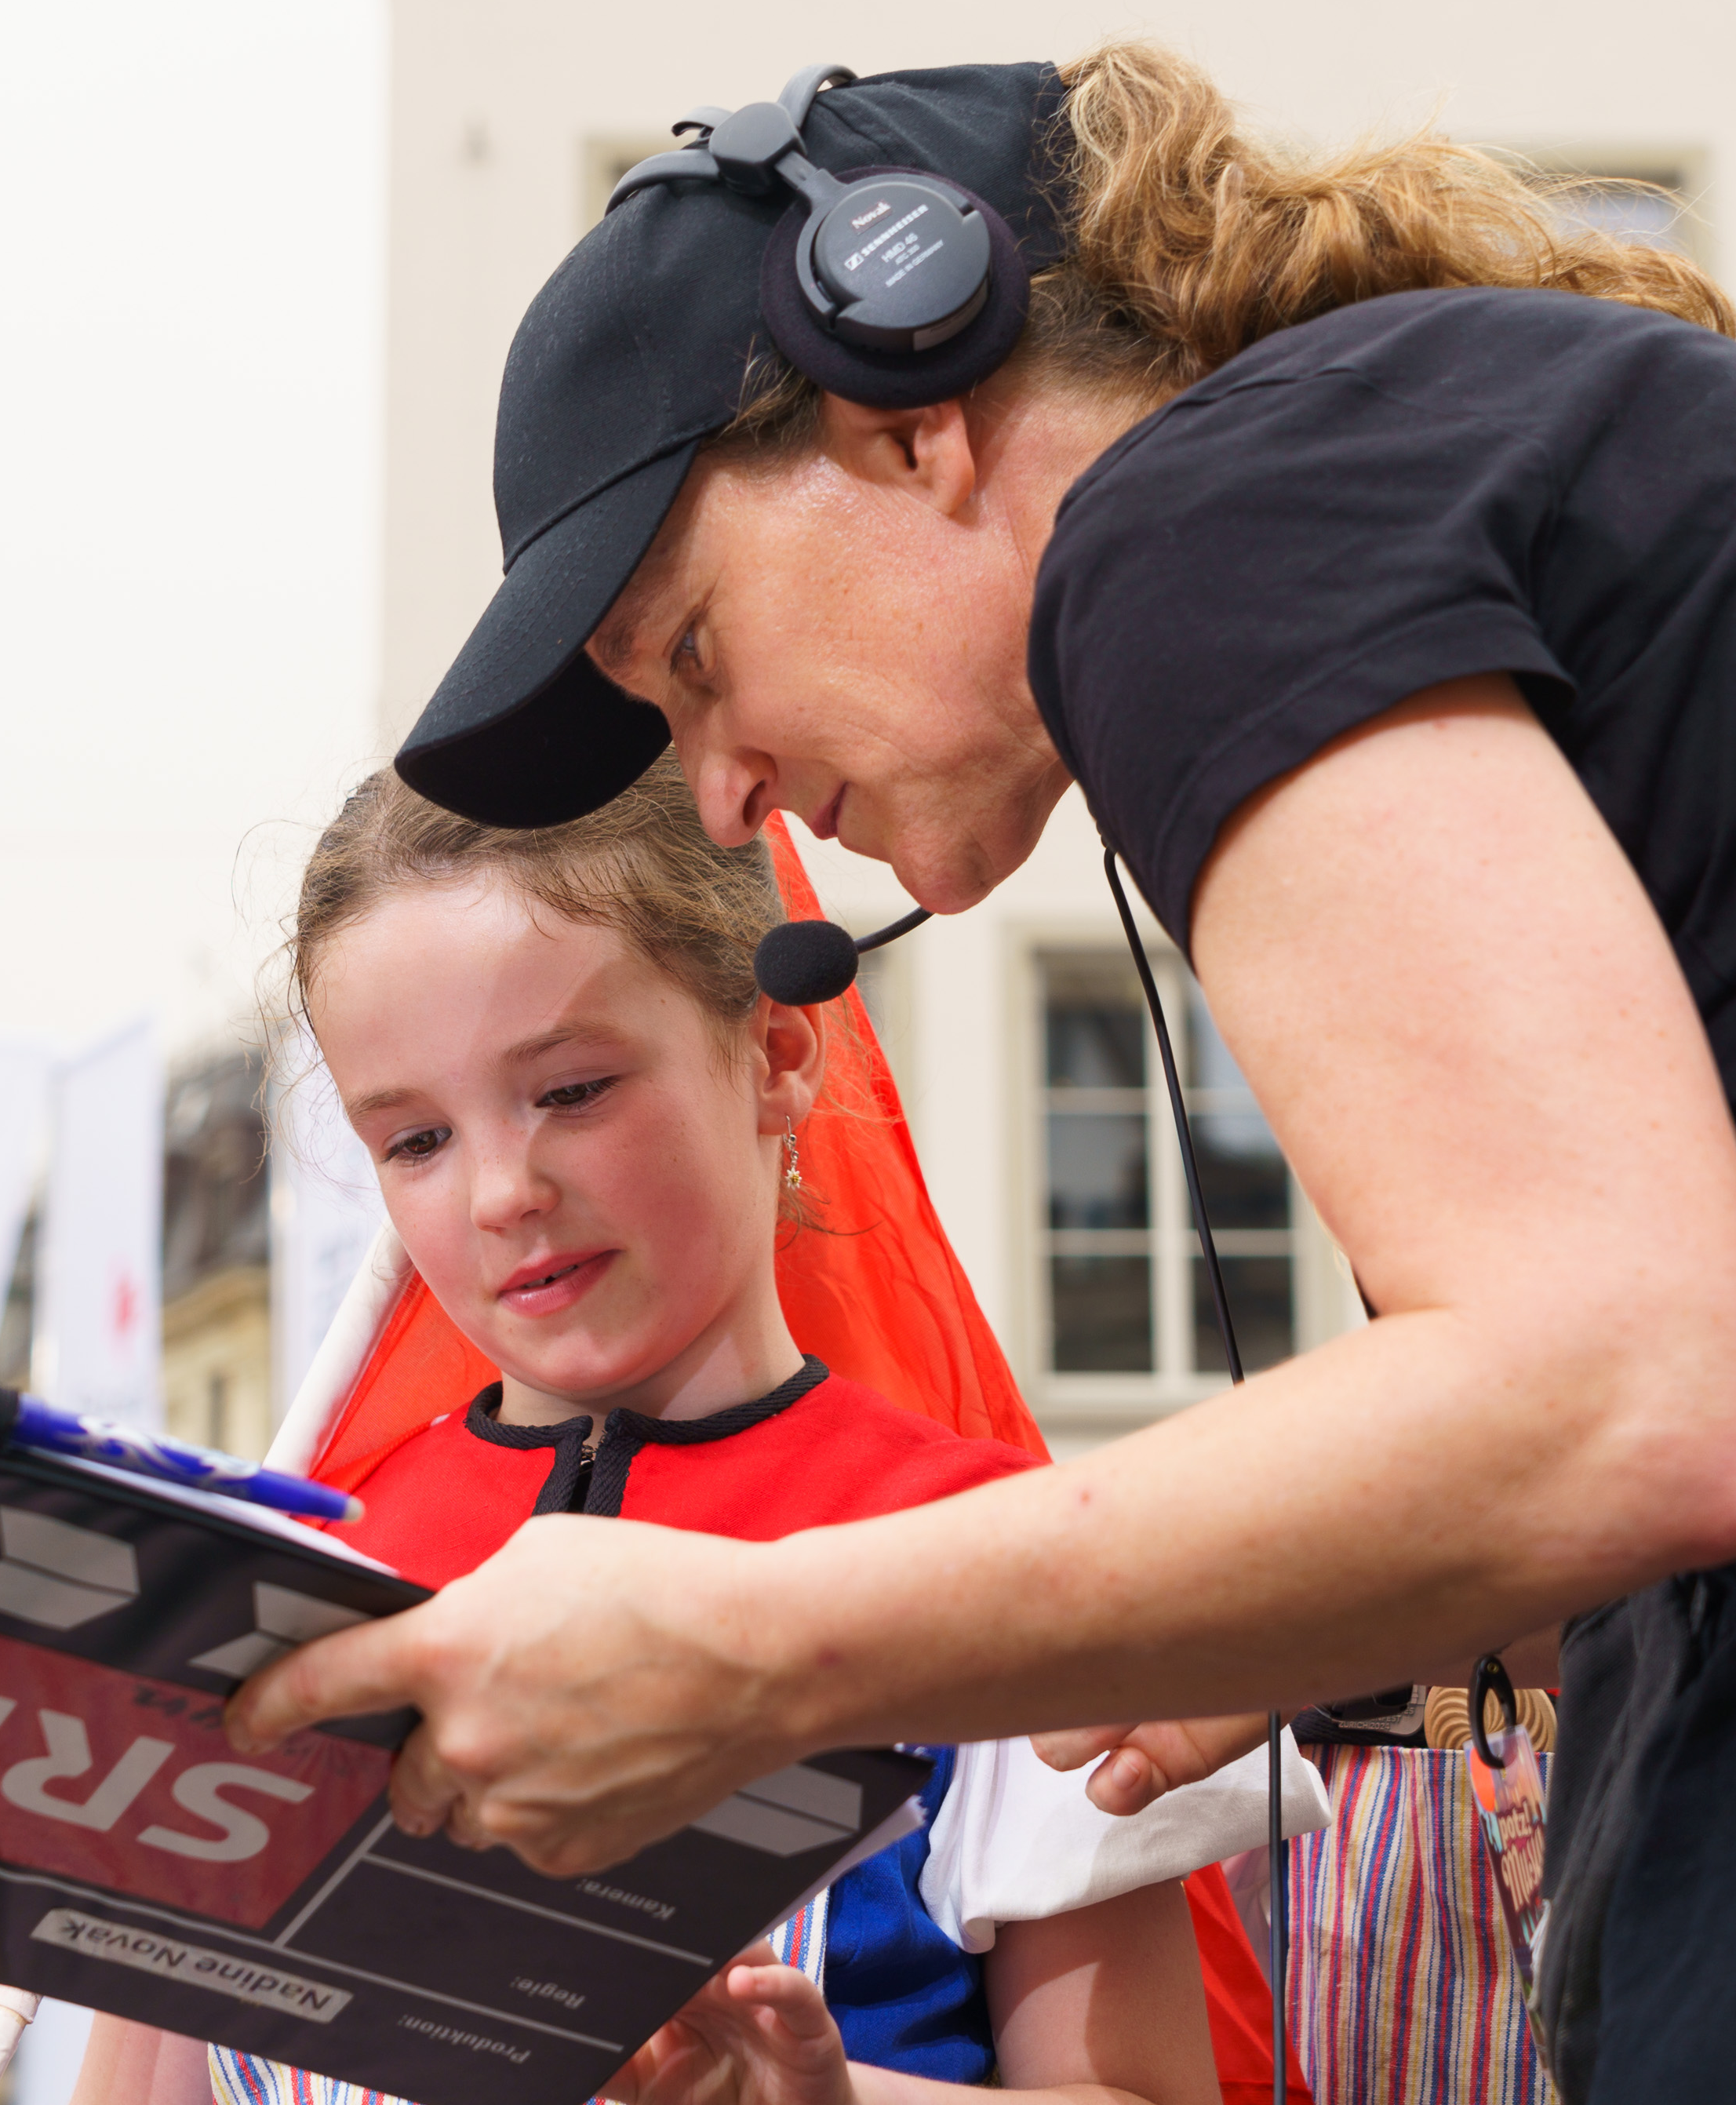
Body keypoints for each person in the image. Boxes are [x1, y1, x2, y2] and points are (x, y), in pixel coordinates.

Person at [226, 42, 1736, 2099]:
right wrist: (1350, 1595)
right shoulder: (1485, 459)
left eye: (697, 655)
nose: (722, 793)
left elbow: (1622, 1390)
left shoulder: (1201, 519)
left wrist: (750, 1647)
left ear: (905, 397)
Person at [79, 759, 1300, 2105]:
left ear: (780, 1054)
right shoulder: (273, 1590)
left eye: (574, 1090)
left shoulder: (995, 1564)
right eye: (416, 1138)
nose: (501, 1191)